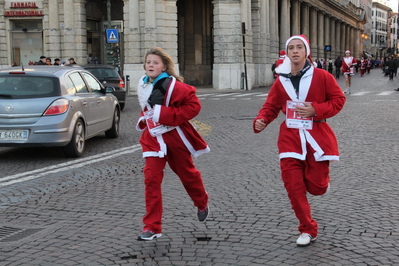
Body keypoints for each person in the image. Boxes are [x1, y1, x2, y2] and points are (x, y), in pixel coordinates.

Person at [253, 35, 346, 247]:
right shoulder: (281, 80)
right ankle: (307, 228)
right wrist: (262, 120)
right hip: (290, 138)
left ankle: (321, 185)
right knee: (293, 186)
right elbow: (271, 106)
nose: (295, 51)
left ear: (306, 52)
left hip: (317, 138)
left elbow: (339, 100)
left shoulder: (322, 76)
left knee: (316, 187)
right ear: (287, 53)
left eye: (299, 47)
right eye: (291, 48)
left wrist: (316, 109)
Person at [135, 47, 210, 241]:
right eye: (148, 62)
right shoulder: (142, 84)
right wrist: (144, 119)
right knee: (151, 180)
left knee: (188, 175)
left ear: (164, 67)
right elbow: (149, 109)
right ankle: (152, 227)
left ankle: (201, 202)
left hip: (174, 139)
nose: (150, 65)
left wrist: (166, 116)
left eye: (155, 62)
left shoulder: (174, 86)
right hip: (152, 139)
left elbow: (194, 106)